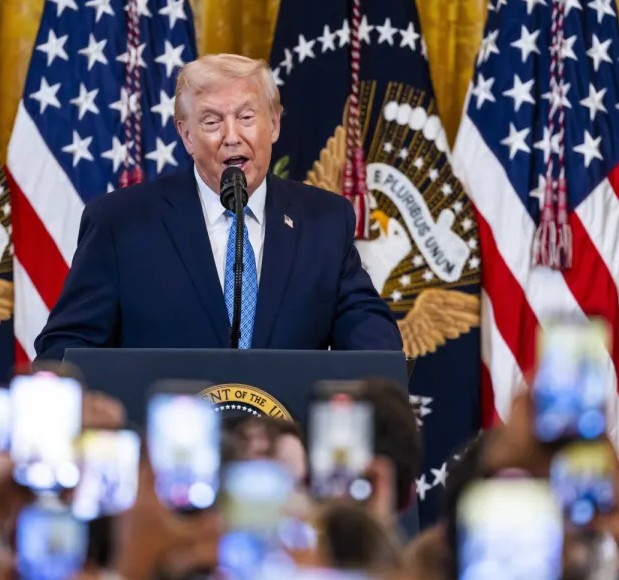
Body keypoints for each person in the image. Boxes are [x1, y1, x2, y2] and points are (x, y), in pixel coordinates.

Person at [33, 53, 402, 359]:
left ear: (274, 124)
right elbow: (65, 349)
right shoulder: (121, 223)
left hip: (286, 425)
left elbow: (372, 341)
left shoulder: (323, 221)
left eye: (246, 117)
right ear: (186, 135)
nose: (231, 136)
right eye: (211, 121)